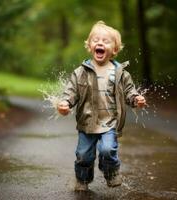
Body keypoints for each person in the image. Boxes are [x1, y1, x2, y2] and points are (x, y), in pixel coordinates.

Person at [57, 21, 146, 191]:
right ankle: (82, 179)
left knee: (107, 150)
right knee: (84, 155)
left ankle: (111, 172)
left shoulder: (121, 73)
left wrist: (136, 99)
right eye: (96, 40)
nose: (100, 43)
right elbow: (71, 92)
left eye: (106, 41)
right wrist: (65, 103)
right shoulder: (80, 72)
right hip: (87, 122)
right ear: (90, 46)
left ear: (115, 49)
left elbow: (129, 92)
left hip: (110, 123)